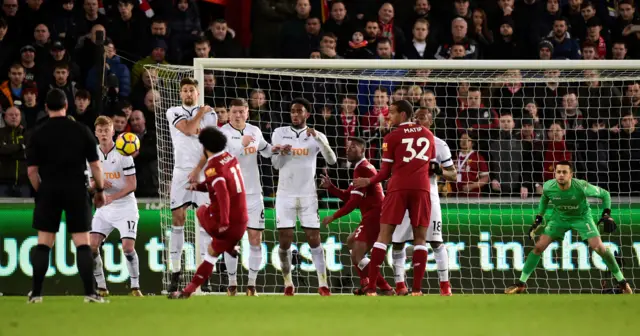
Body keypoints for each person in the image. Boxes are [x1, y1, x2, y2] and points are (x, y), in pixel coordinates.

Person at [25, 88, 107, 303]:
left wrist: (40, 191)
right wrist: (99, 191)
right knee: (82, 242)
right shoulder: (81, 130)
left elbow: (32, 171)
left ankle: (36, 293)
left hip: (49, 188)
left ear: (45, 108)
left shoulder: (37, 133)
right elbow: (96, 167)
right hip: (76, 189)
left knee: (44, 242)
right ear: (66, 106)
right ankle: (90, 293)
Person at [505, 161, 633, 294]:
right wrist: (538, 220)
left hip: (582, 218)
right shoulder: (549, 186)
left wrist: (607, 215)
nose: (561, 175)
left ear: (571, 174)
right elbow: (544, 199)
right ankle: (521, 284)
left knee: (599, 248)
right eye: (558, 172)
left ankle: (623, 283)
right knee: (538, 247)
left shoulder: (581, 186)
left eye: (564, 172)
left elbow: (605, 194)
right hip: (559, 218)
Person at [353, 100, 436, 296]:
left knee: (384, 236)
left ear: (404, 115)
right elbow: (431, 167)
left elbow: (384, 173)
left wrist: (368, 181)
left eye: (391, 112)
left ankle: (372, 288)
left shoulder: (392, 137)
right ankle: (416, 290)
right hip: (421, 189)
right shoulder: (428, 135)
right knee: (420, 239)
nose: (387, 116)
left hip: (398, 189)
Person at [168, 127, 249, 299]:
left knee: (201, 209)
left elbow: (222, 193)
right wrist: (198, 186)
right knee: (211, 255)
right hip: (242, 221)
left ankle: (229, 246)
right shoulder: (230, 158)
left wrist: (224, 221)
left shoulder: (212, 167)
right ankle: (187, 291)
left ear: (204, 147)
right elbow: (218, 184)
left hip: (228, 222)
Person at [271, 98, 337, 296]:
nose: (295, 114)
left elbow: (332, 160)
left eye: (299, 111)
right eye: (293, 111)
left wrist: (318, 138)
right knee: (285, 240)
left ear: (307, 114)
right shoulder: (280, 133)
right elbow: (275, 165)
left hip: (308, 195)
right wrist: (281, 153)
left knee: (314, 239)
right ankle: (288, 283)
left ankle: (323, 284)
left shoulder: (316, 135)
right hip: (285, 194)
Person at [389, 108, 457, 296]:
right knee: (398, 242)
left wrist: (440, 171)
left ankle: (445, 286)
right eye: (415, 118)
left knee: (435, 241)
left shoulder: (439, 145)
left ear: (431, 122)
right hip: (404, 195)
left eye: (422, 118)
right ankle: (400, 285)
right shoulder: (401, 140)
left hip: (429, 195)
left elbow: (454, 175)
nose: (417, 122)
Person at [319, 137, 394, 295]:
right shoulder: (361, 168)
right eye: (348, 147)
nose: (348, 149)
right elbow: (349, 196)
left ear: (362, 150)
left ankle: (385, 288)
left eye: (353, 147)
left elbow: (353, 202)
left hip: (375, 215)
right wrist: (331, 187)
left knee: (357, 254)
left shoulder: (363, 169)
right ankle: (365, 283)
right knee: (351, 241)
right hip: (372, 214)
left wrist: (333, 216)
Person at [220, 98, 277, 296]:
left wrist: (276, 150)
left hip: (254, 193)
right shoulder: (222, 133)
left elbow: (264, 149)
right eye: (234, 111)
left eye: (241, 112)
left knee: (255, 238)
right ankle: (232, 282)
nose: (237, 115)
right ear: (229, 113)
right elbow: (222, 160)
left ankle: (252, 284)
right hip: (231, 194)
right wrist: (240, 146)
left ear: (247, 113)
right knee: (232, 239)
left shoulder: (254, 130)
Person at [166, 78, 218, 292]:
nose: (188, 93)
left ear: (198, 93)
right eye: (185, 90)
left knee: (206, 223)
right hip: (180, 173)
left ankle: (204, 278)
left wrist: (199, 168)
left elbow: (210, 144)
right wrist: (199, 114)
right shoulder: (173, 111)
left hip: (203, 172)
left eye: (192, 90)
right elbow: (188, 129)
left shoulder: (212, 115)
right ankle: (175, 274)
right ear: (181, 94)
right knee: (178, 220)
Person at [89, 116, 142, 297]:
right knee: (92, 246)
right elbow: (90, 183)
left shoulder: (123, 153)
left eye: (107, 130)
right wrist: (99, 183)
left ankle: (135, 287)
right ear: (96, 133)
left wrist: (113, 197)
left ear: (113, 132)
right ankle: (102, 287)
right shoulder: (92, 154)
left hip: (125, 207)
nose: (104, 134)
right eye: (100, 131)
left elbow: (132, 185)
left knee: (127, 248)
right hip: (104, 208)